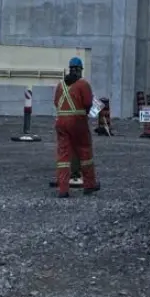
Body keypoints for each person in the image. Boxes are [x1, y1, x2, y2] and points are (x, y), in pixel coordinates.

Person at [52, 56, 99, 198]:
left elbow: (56, 102)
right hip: (78, 122)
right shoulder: (83, 84)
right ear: (80, 70)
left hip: (61, 122)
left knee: (63, 155)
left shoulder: (60, 85)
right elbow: (88, 103)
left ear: (70, 69)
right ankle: (89, 185)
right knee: (85, 152)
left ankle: (63, 189)